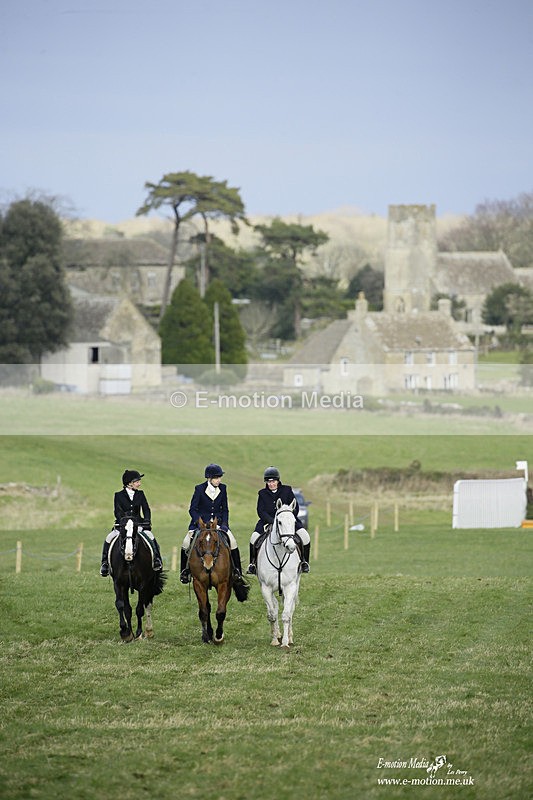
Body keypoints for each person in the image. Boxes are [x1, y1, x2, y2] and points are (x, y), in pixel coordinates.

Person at [180, 463, 245, 584]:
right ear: (209, 478)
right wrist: (199, 522)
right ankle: (185, 572)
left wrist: (224, 524)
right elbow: (192, 509)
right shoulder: (199, 489)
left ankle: (237, 571)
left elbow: (225, 509)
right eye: (216, 478)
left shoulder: (223, 488)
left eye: (220, 477)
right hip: (201, 525)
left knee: (233, 542)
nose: (219, 480)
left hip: (218, 524)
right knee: (186, 542)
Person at [247, 466, 310, 574]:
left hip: (288, 522)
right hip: (267, 522)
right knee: (254, 538)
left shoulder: (287, 490)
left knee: (305, 536)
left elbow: (295, 507)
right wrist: (272, 521)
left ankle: (304, 562)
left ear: (278, 481)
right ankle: (253, 564)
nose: (271, 484)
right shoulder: (262, 493)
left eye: (273, 481)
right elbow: (260, 511)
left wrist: (288, 519)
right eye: (269, 482)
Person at [100, 469, 163, 577]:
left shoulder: (141, 494)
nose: (139, 484)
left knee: (151, 537)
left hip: (138, 524)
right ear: (129, 483)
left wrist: (147, 520)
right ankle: (105, 563)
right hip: (123, 525)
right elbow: (117, 511)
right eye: (137, 482)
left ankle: (157, 560)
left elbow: (146, 509)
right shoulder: (118, 495)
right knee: (108, 538)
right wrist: (123, 521)